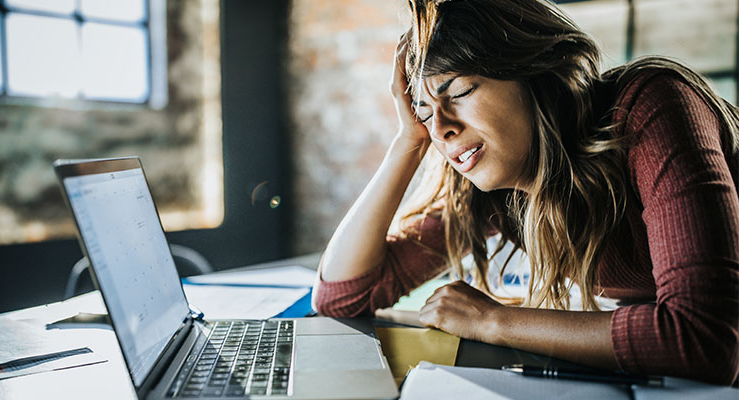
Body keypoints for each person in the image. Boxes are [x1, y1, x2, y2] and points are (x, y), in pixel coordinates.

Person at [312, 0, 739, 385]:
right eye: (424, 113)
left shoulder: (648, 107)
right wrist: (407, 143)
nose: (441, 128)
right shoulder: (497, 189)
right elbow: (343, 296)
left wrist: (494, 321)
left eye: (458, 92)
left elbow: (705, 338)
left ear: (534, 72)